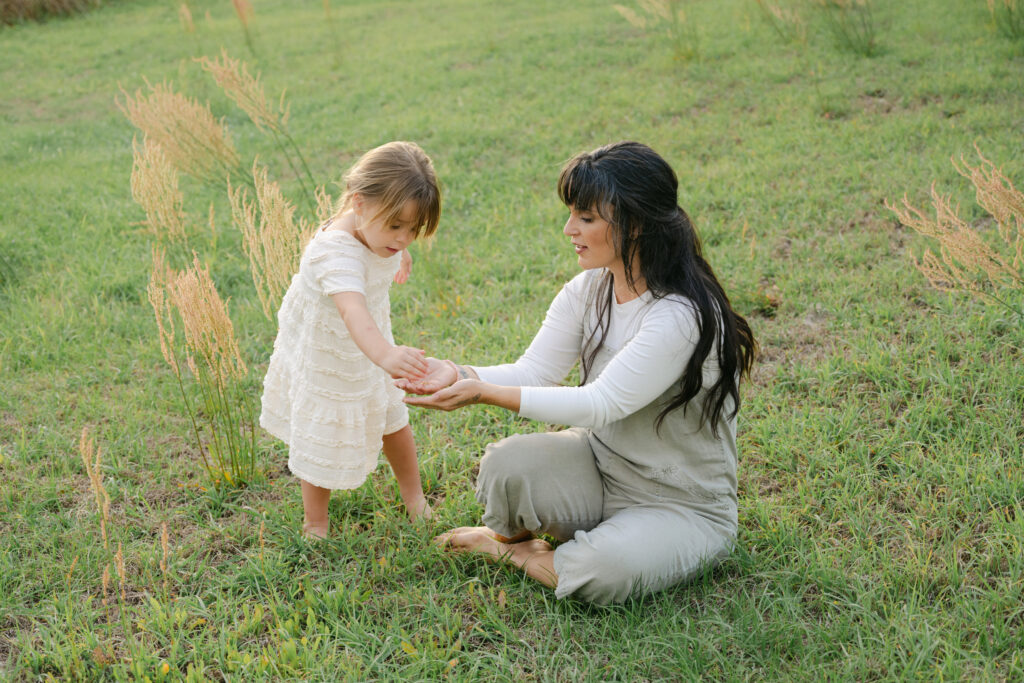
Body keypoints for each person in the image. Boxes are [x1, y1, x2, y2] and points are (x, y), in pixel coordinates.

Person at [400, 141, 756, 604]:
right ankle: (549, 541)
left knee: (602, 571)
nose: (569, 229)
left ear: (638, 223)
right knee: (506, 466)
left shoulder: (680, 315)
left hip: (681, 504)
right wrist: (457, 371)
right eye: (572, 214)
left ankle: (512, 552)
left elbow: (601, 403)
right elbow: (536, 369)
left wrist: (483, 392)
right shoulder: (589, 289)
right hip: (599, 466)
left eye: (586, 218)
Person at [260, 141, 441, 538]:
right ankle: (316, 522)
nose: (404, 238)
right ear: (359, 203)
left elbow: (384, 249)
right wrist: (386, 355)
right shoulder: (334, 253)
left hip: (371, 341)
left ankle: (415, 500)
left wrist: (397, 250)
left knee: (393, 414)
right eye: (396, 227)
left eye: (413, 229)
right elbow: (352, 312)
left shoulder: (373, 229)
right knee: (323, 423)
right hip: (329, 346)